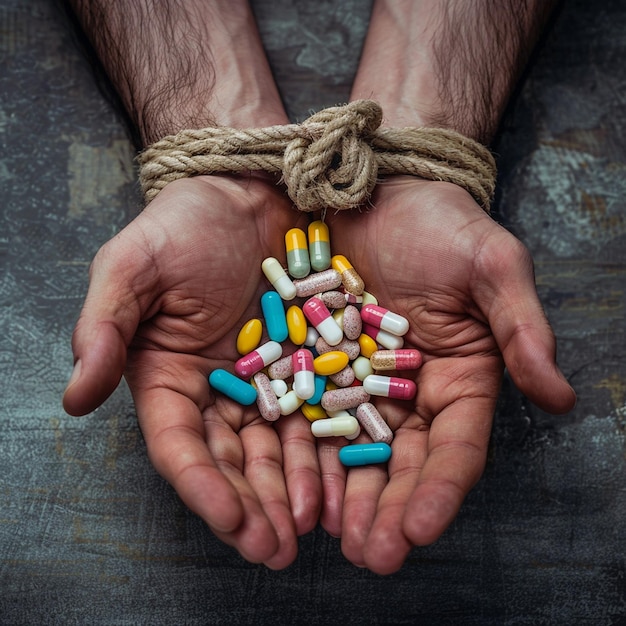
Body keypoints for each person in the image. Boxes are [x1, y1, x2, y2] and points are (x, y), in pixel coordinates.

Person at [62, 0, 576, 575]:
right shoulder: (327, 341)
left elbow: (328, 357)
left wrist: (414, 152)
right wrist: (219, 148)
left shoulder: (320, 338)